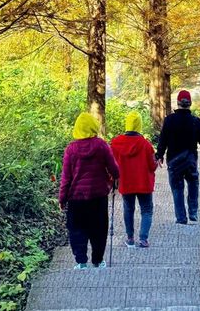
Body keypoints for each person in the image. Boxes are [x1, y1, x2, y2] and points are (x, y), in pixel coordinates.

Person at [59, 112, 119, 270]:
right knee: (99, 229)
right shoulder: (101, 145)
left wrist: (62, 198)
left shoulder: (71, 149)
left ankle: (81, 262)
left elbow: (66, 177)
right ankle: (98, 261)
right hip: (98, 196)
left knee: (77, 229)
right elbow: (113, 168)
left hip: (76, 198)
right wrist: (115, 177)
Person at [155, 89, 200, 225]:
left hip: (173, 161)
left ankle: (181, 218)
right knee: (193, 183)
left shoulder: (169, 120)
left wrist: (159, 155)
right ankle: (193, 212)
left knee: (177, 189)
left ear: (178, 103)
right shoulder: (196, 121)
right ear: (190, 103)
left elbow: (163, 140)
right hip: (190, 159)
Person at [111, 110, 157, 248]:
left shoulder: (116, 143)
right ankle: (143, 239)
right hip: (144, 183)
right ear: (139, 126)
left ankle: (130, 238)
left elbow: (112, 164)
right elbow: (152, 166)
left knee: (128, 209)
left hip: (126, 183)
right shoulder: (146, 144)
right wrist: (156, 162)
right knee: (147, 210)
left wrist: (112, 180)